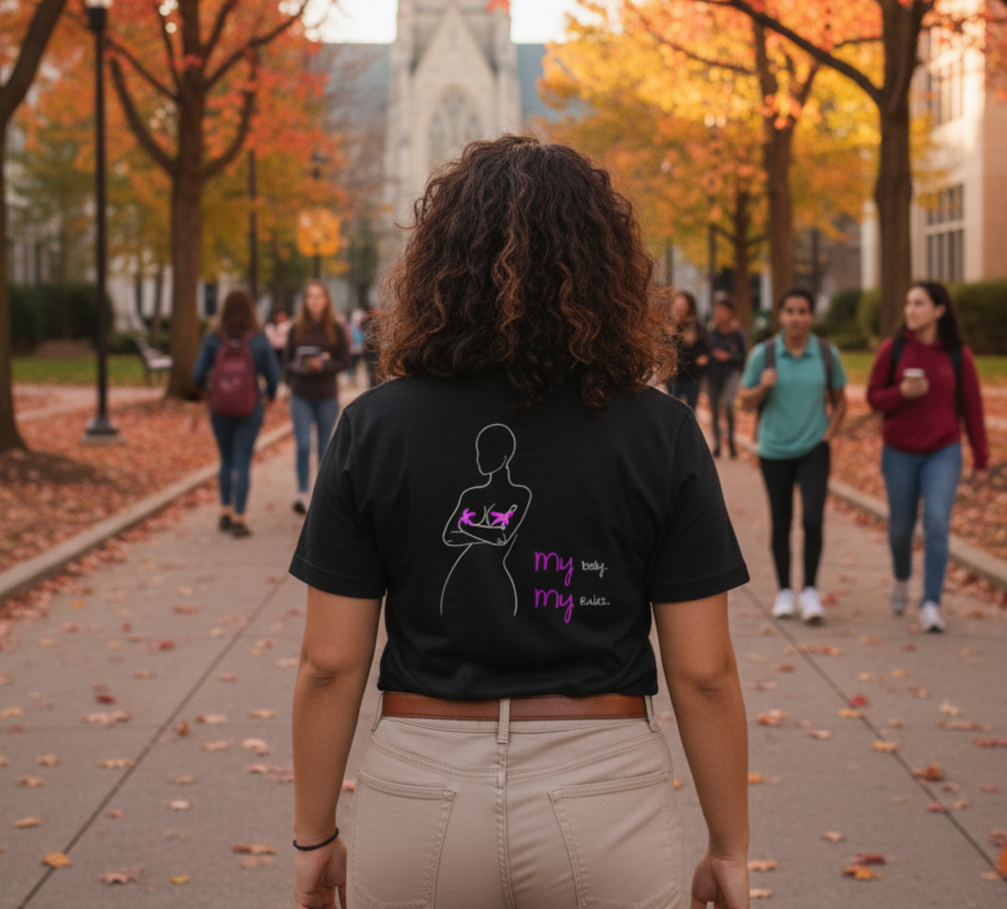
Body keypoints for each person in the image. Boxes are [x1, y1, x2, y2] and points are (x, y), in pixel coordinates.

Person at [288, 136, 751, 909]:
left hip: (419, 792)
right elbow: (703, 675)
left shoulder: (373, 427)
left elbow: (330, 664)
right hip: (604, 795)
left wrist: (314, 835)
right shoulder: (660, 432)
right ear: (607, 268)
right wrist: (729, 847)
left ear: (439, 264)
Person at [866, 281, 988, 633]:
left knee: (936, 523)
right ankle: (902, 578)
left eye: (919, 303)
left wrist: (981, 459)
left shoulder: (957, 355)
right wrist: (901, 394)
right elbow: (874, 398)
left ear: (939, 310)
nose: (910, 310)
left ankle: (931, 601)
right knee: (901, 529)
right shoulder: (893, 349)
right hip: (899, 452)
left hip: (943, 452)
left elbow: (973, 410)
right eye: (908, 303)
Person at [739, 288, 847, 623]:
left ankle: (810, 591)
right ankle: (785, 591)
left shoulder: (826, 353)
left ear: (811, 316)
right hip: (774, 450)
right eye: (789, 311)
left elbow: (841, 400)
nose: (796, 317)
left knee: (813, 519)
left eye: (802, 311)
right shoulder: (764, 355)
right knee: (781, 521)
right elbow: (744, 400)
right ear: (780, 316)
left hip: (814, 448)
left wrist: (828, 434)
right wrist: (763, 386)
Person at [192, 290, 278, 538]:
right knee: (243, 461)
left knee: (225, 459)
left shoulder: (213, 339)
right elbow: (273, 376)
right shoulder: (259, 340)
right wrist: (269, 396)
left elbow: (197, 375)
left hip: (219, 407)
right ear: (251, 310)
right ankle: (240, 517)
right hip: (250, 407)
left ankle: (225, 511)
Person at [285, 281, 352, 516]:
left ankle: (321, 497)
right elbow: (286, 361)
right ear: (305, 301)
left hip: (326, 395)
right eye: (310, 297)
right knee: (303, 445)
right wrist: (299, 365)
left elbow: (345, 360)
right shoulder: (297, 327)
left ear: (326, 300)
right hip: (301, 394)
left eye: (319, 296)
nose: (314, 301)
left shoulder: (335, 327)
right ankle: (302, 493)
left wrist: (324, 364)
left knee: (325, 448)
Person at [705, 295, 747, 458]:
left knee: (729, 405)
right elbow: (704, 351)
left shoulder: (737, 332)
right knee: (714, 410)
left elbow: (743, 355)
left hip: (730, 373)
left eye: (723, 310)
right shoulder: (711, 332)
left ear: (730, 312)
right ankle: (717, 445)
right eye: (718, 310)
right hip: (712, 374)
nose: (720, 314)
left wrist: (728, 357)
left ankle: (731, 443)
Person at [666, 290, 708, 408]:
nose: (679, 307)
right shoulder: (670, 327)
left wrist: (703, 358)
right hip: (674, 376)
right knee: (674, 409)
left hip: (692, 375)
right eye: (676, 304)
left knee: (691, 409)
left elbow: (704, 348)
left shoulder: (696, 327)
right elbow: (664, 348)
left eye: (683, 303)